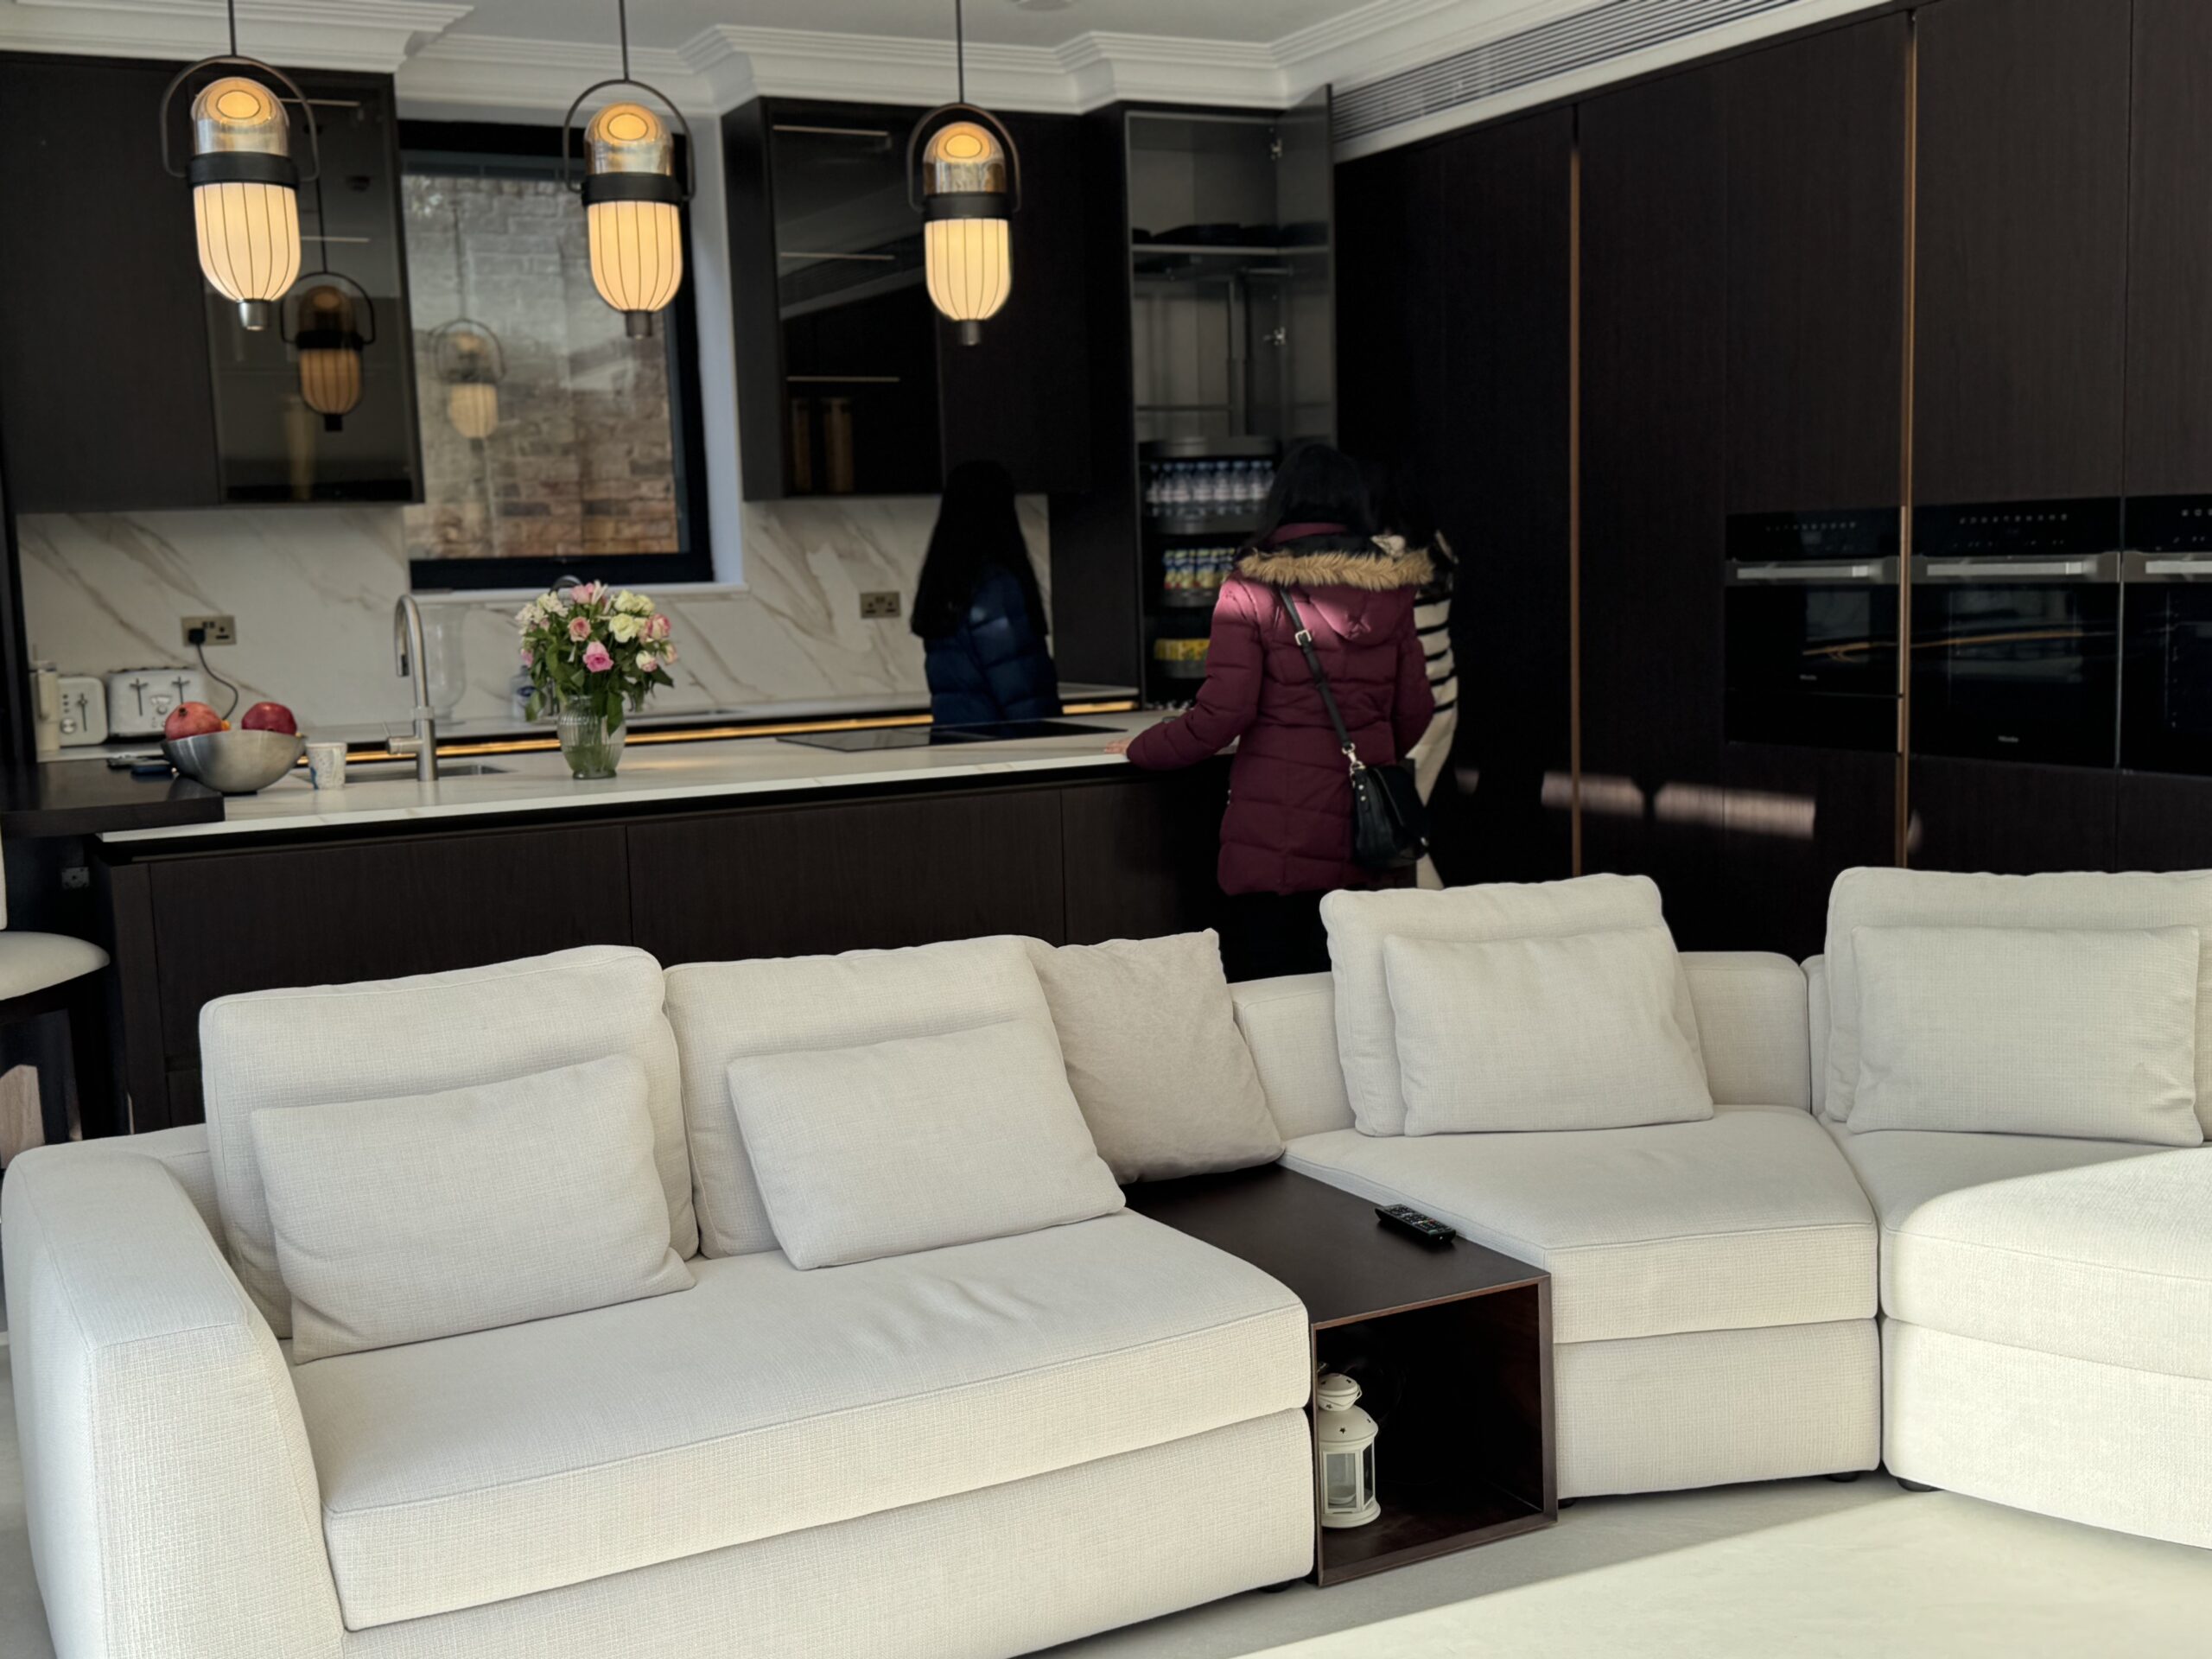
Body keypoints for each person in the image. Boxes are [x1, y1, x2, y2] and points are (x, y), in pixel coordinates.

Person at [1110, 443, 1434, 981]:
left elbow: (1224, 711)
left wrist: (1145, 747)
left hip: (1280, 831)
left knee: (1275, 989)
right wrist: (1368, 754)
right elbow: (1416, 708)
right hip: (1367, 830)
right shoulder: (1392, 589)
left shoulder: (1253, 585)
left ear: (1280, 501)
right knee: (1355, 988)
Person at [1365, 460, 1458, 889]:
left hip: (1407, 710)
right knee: (1406, 820)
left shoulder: (1380, 553)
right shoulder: (1437, 544)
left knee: (1400, 833)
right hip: (1444, 700)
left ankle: (1445, 920)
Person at [913, 460, 1059, 726]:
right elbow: (1020, 689)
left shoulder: (945, 581)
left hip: (958, 738)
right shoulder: (995, 586)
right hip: (1003, 741)